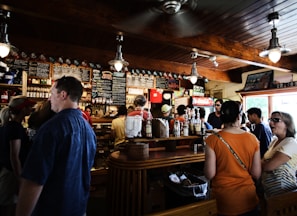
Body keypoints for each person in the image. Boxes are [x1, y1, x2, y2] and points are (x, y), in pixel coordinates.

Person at [16, 76, 97, 216]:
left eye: (52, 93)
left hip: (53, 209)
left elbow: (34, 181)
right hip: (79, 208)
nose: (49, 98)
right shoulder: (89, 130)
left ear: (63, 95)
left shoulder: (51, 128)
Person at [204, 100, 261, 216]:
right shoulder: (252, 139)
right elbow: (256, 173)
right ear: (239, 116)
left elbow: (209, 174)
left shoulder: (212, 140)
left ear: (221, 117)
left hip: (224, 200)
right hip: (248, 198)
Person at [0, 96, 36, 216]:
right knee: (9, 208)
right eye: (29, 106)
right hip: (11, 175)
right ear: (22, 109)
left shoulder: (12, 126)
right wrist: (20, 178)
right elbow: (14, 156)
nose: (31, 108)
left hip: (10, 173)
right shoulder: (14, 128)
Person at [261, 111, 297, 198]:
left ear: (287, 124)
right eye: (270, 119)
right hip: (270, 192)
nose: (270, 123)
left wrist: (259, 161)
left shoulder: (291, 142)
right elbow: (264, 162)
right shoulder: (274, 141)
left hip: (283, 193)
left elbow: (268, 166)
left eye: (276, 120)